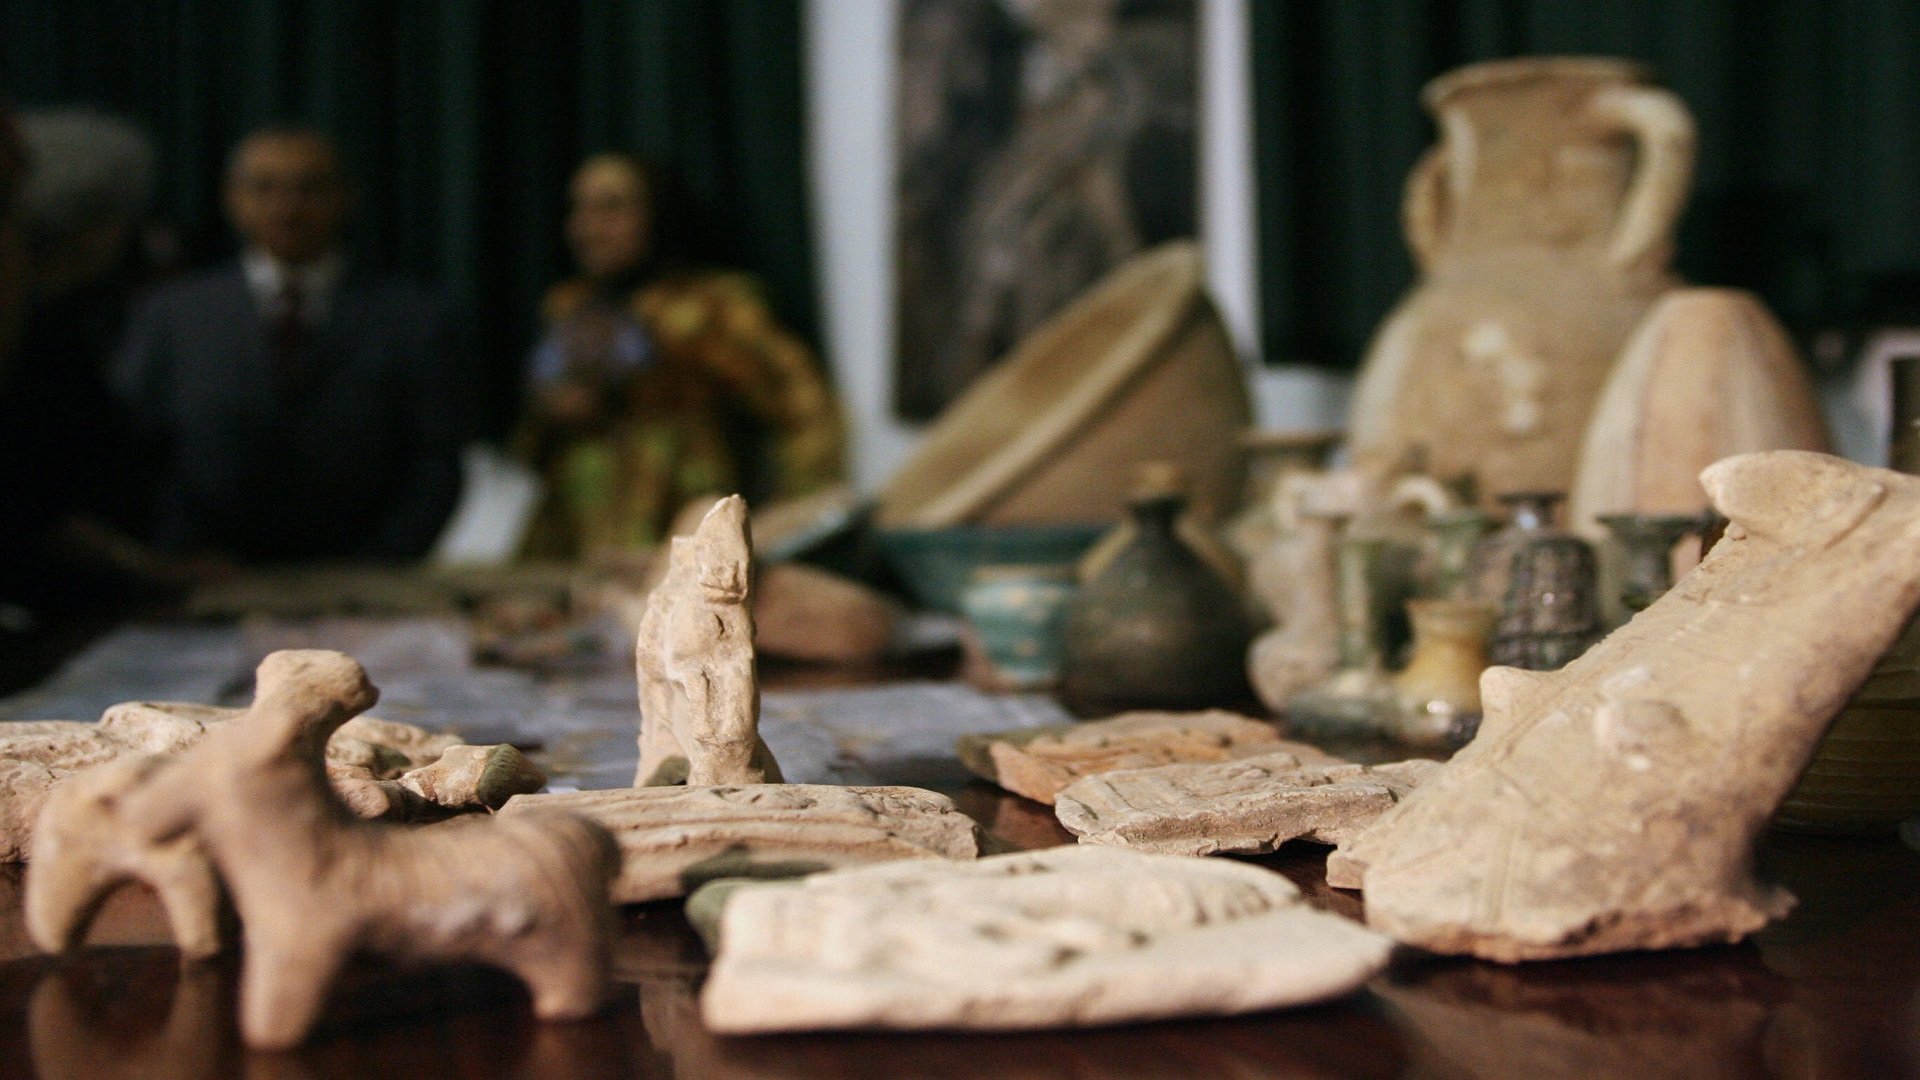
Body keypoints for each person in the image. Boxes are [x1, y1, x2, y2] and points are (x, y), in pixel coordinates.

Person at [114, 129, 477, 564]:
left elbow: (436, 462)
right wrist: (178, 554)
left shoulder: (412, 317)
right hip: (201, 573)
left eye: (309, 189)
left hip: (366, 579)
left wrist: (379, 561)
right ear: (232, 199)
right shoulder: (172, 315)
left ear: (346, 198)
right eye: (264, 188)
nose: (287, 208)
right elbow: (135, 450)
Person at [514, 153, 845, 557]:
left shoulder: (716, 308)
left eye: (611, 208)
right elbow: (532, 441)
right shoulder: (569, 307)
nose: (588, 228)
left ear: (658, 214)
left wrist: (790, 524)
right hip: (577, 534)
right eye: (579, 209)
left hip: (683, 525)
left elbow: (803, 412)